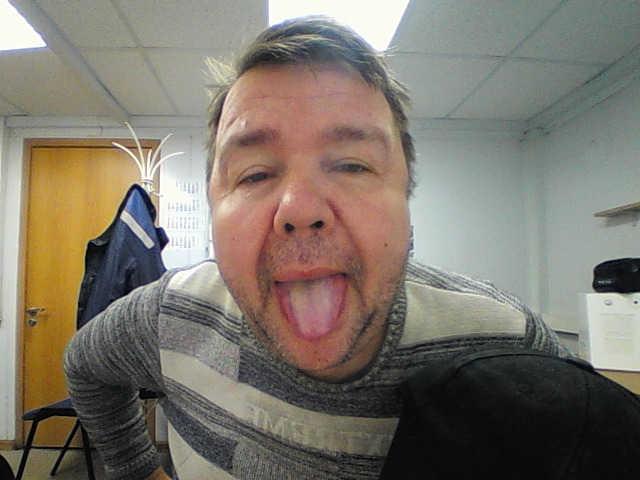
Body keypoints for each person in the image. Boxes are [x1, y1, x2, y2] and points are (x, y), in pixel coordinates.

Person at [64, 15, 567, 480]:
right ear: (214, 208)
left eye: (352, 165)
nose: (300, 209)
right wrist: (138, 470)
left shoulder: (507, 346)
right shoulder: (171, 312)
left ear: (406, 195)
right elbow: (84, 367)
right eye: (254, 174)